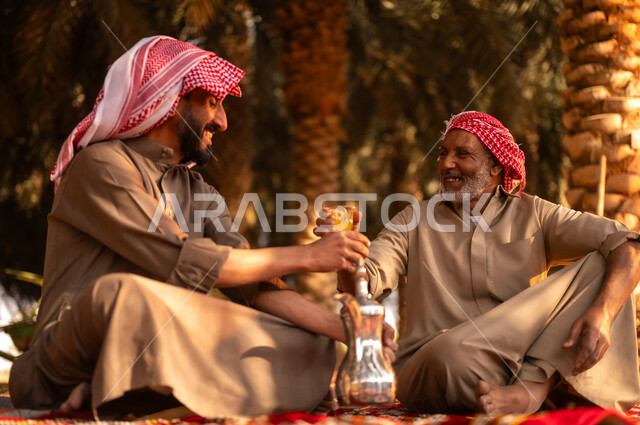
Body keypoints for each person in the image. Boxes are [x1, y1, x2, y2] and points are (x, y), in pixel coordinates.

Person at [9, 35, 397, 419]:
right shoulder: (102, 165)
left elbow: (252, 285)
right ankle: (111, 384)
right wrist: (307, 257)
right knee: (125, 295)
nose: (224, 122)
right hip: (68, 351)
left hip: (159, 337)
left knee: (308, 341)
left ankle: (147, 393)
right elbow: (179, 259)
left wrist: (352, 330)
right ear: (168, 102)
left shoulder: (198, 190)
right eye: (212, 103)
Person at [316, 111, 640, 416]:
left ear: (497, 167)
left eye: (462, 154)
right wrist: (344, 252)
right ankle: (536, 391)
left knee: (605, 261)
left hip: (515, 365)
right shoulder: (413, 218)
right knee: (450, 353)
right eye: (443, 153)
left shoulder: (536, 214)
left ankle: (531, 389)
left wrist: (604, 311)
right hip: (438, 364)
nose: (446, 163)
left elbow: (628, 243)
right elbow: (365, 283)